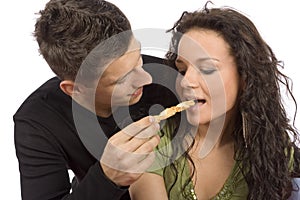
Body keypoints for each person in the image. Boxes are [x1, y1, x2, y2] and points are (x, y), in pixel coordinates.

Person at [129, 3, 300, 200]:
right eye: (182, 70)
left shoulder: (271, 151)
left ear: (245, 78)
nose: (186, 81)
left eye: (207, 69)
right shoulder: (154, 141)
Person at [13, 0, 177, 199]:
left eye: (138, 58)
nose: (147, 78)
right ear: (74, 89)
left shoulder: (172, 79)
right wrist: (107, 176)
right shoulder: (37, 122)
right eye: (122, 79)